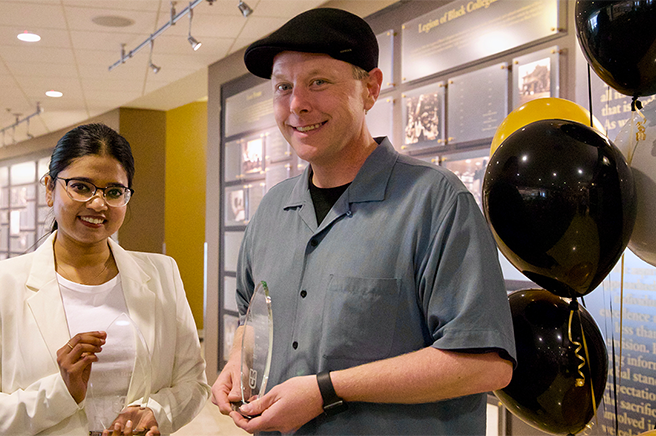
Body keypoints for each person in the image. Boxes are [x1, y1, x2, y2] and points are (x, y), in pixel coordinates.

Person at [211, 8, 516, 436]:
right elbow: (251, 315)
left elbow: (485, 365)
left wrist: (326, 391)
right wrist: (236, 363)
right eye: (283, 87)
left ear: (370, 89)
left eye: (319, 82)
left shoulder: (436, 201)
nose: (297, 103)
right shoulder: (271, 211)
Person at [0, 123, 210, 436]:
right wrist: (61, 392)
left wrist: (155, 414)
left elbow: (193, 383)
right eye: (81, 187)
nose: (98, 204)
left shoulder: (162, 274)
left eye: (113, 192)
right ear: (49, 188)